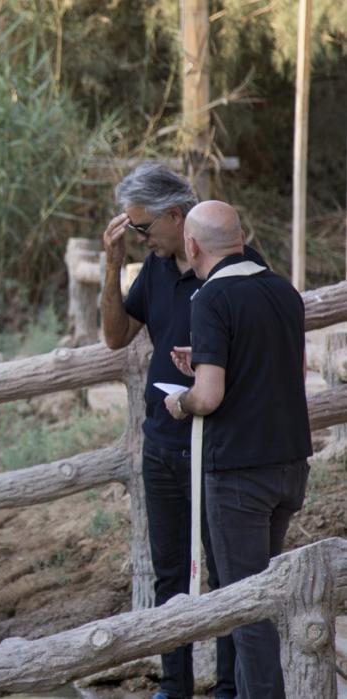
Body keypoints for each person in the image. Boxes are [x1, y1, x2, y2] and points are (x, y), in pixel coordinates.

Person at [101, 163, 263, 699]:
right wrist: (112, 264)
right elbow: (116, 337)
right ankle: (174, 684)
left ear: (177, 216)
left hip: (219, 445)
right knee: (169, 571)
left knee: (225, 571)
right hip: (163, 441)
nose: (141, 239)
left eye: (143, 228)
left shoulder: (237, 269)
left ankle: (225, 687)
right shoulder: (154, 266)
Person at [162, 201, 310, 699]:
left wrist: (180, 402)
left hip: (239, 476)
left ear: (192, 246)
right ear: (242, 238)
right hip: (289, 467)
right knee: (260, 603)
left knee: (248, 611)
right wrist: (202, 363)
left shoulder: (209, 299)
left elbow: (210, 397)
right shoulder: (284, 292)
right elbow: (263, 366)